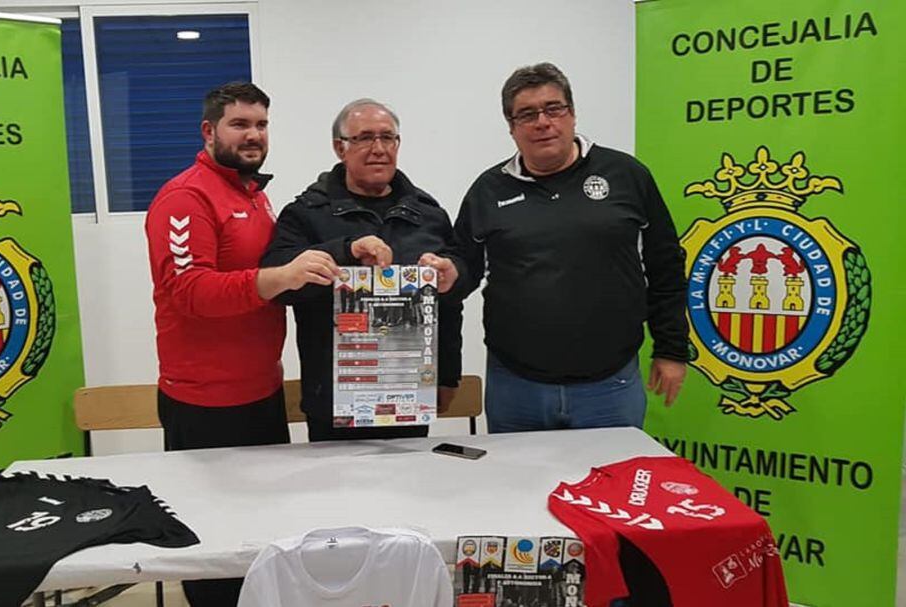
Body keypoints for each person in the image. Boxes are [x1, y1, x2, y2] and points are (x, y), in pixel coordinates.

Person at [144, 81, 338, 606]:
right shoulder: (185, 198)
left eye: (261, 125)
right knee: (211, 556)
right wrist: (279, 278)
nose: (253, 135)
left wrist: (334, 253)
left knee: (258, 548)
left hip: (260, 393)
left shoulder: (252, 194)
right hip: (204, 405)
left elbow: (277, 262)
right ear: (209, 131)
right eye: (240, 124)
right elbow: (188, 291)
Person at [451, 62, 688, 433]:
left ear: (572, 114)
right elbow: (462, 268)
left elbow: (666, 267)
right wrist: (445, 274)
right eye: (526, 114)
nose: (542, 122)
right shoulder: (488, 190)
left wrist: (671, 349)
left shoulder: (626, 176)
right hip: (516, 386)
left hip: (610, 385)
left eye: (553, 108)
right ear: (512, 128)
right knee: (517, 488)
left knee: (612, 487)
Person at [261, 98, 463, 441]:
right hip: (334, 400)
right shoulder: (305, 214)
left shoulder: (429, 214)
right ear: (340, 147)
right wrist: (343, 254)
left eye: (388, 137)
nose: (379, 148)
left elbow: (451, 299)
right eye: (364, 138)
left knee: (410, 490)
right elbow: (276, 283)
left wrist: (447, 375)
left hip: (408, 392)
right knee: (335, 493)